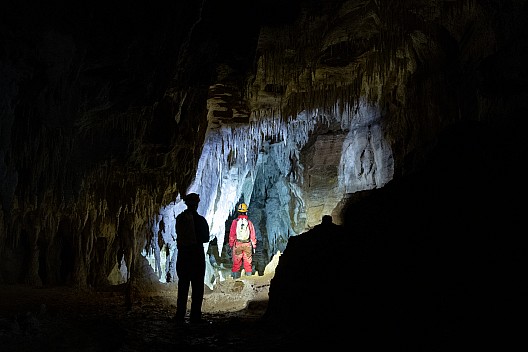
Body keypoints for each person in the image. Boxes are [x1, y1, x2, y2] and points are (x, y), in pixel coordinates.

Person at [174, 193, 210, 325]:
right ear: (197, 204)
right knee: (197, 287)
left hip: (183, 255)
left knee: (183, 286)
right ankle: (195, 316)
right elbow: (206, 238)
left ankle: (180, 315)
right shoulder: (200, 220)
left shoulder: (180, 218)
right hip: (196, 255)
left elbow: (178, 234)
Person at [228, 202, 257, 278]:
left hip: (238, 244)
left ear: (238, 212)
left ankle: (235, 280)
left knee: (236, 264)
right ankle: (249, 280)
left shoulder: (235, 222)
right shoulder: (249, 222)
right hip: (247, 244)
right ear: (246, 212)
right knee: (248, 264)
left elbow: (232, 234)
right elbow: (252, 235)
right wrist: (253, 245)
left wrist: (231, 245)